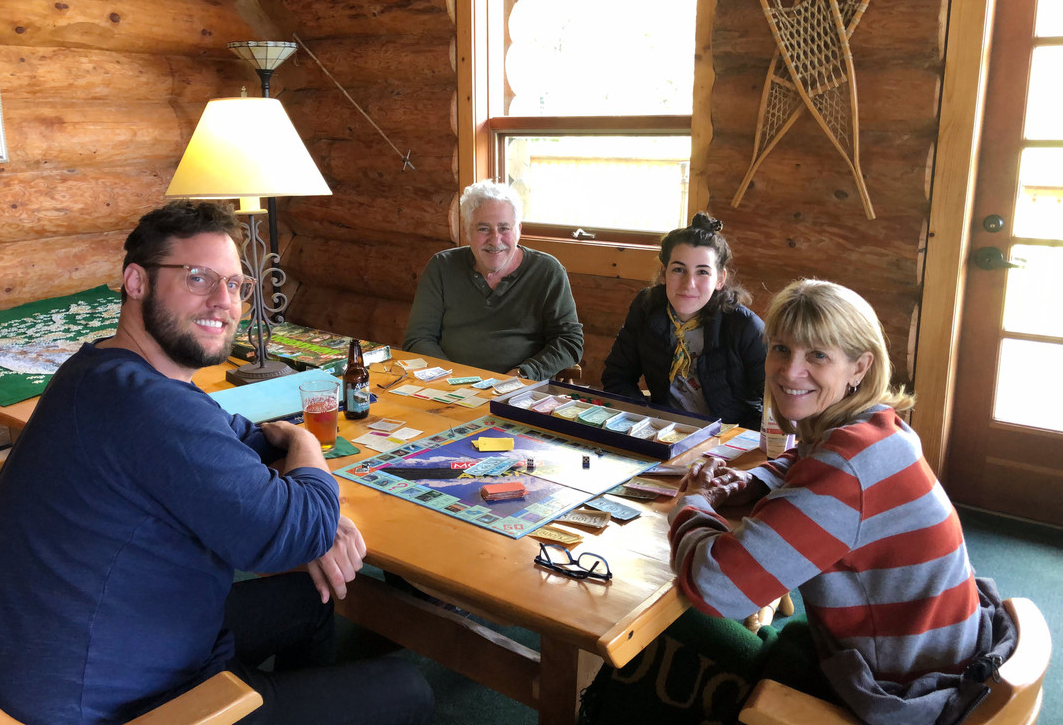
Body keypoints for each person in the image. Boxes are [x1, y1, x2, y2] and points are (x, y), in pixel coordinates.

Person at [0, 201, 434, 725]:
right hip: (108, 703)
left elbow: (235, 437)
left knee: (310, 600)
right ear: (136, 281)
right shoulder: (151, 405)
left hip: (67, 645)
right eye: (199, 278)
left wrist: (303, 494)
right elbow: (295, 531)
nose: (224, 301)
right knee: (409, 688)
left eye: (236, 284)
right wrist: (308, 451)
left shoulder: (101, 368)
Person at [667, 279, 1015, 724]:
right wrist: (750, 482)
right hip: (945, 654)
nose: (790, 371)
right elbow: (805, 459)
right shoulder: (879, 428)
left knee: (676, 634)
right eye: (780, 349)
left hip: (897, 694)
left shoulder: (846, 470)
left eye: (817, 355)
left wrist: (692, 503)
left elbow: (718, 588)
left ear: (859, 367)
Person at [404, 180, 583, 380]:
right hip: (447, 387)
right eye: (483, 229)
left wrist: (524, 374)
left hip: (519, 389)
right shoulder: (441, 266)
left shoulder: (547, 271)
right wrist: (450, 379)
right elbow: (418, 338)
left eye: (504, 228)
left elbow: (569, 341)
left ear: (519, 230)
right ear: (467, 231)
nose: (495, 239)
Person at [601, 212, 765, 429]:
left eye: (703, 272)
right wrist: (647, 420)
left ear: (720, 279)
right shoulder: (646, 308)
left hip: (727, 443)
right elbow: (616, 376)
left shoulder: (744, 326)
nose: (689, 283)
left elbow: (774, 399)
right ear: (663, 274)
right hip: (664, 433)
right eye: (679, 270)